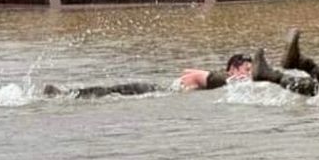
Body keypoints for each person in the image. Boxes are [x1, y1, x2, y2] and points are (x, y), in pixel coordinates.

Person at [43, 52, 257, 99]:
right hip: (154, 91)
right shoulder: (221, 78)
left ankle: (65, 94)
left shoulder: (222, 79)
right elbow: (200, 75)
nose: (248, 75)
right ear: (233, 69)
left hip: (157, 90)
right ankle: (63, 94)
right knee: (110, 92)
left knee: (112, 92)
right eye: (246, 70)